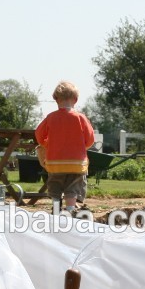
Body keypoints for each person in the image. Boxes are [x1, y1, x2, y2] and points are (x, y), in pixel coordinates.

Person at [34, 81, 95, 213]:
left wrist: (47, 144)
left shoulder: (51, 117)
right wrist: (81, 146)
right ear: (76, 100)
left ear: (56, 100)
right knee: (73, 187)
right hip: (76, 163)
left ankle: (56, 209)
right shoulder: (80, 118)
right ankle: (70, 210)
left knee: (55, 185)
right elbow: (90, 139)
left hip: (55, 162)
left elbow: (38, 134)